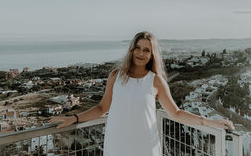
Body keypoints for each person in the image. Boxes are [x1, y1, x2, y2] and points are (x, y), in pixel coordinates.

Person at [49, 31, 235, 155]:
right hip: (117, 145)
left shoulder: (156, 80)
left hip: (146, 146)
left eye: (146, 49)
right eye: (137, 47)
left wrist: (210, 122)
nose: (140, 53)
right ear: (131, 49)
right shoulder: (116, 76)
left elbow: (176, 113)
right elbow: (101, 107)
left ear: (152, 54)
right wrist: (73, 118)